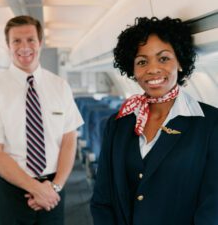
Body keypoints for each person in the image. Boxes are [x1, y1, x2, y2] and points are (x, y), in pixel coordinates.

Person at [90, 16, 218, 225]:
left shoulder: (211, 124)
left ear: (180, 62)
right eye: (142, 61)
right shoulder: (118, 123)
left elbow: (213, 206)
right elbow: (103, 198)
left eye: (164, 58)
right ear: (133, 70)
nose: (153, 69)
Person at [0, 15, 83, 225]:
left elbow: (69, 141)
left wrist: (54, 187)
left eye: (31, 39)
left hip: (54, 189)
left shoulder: (60, 86)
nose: (24, 47)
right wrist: (35, 188)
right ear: (8, 45)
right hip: (12, 190)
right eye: (17, 41)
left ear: (40, 42)